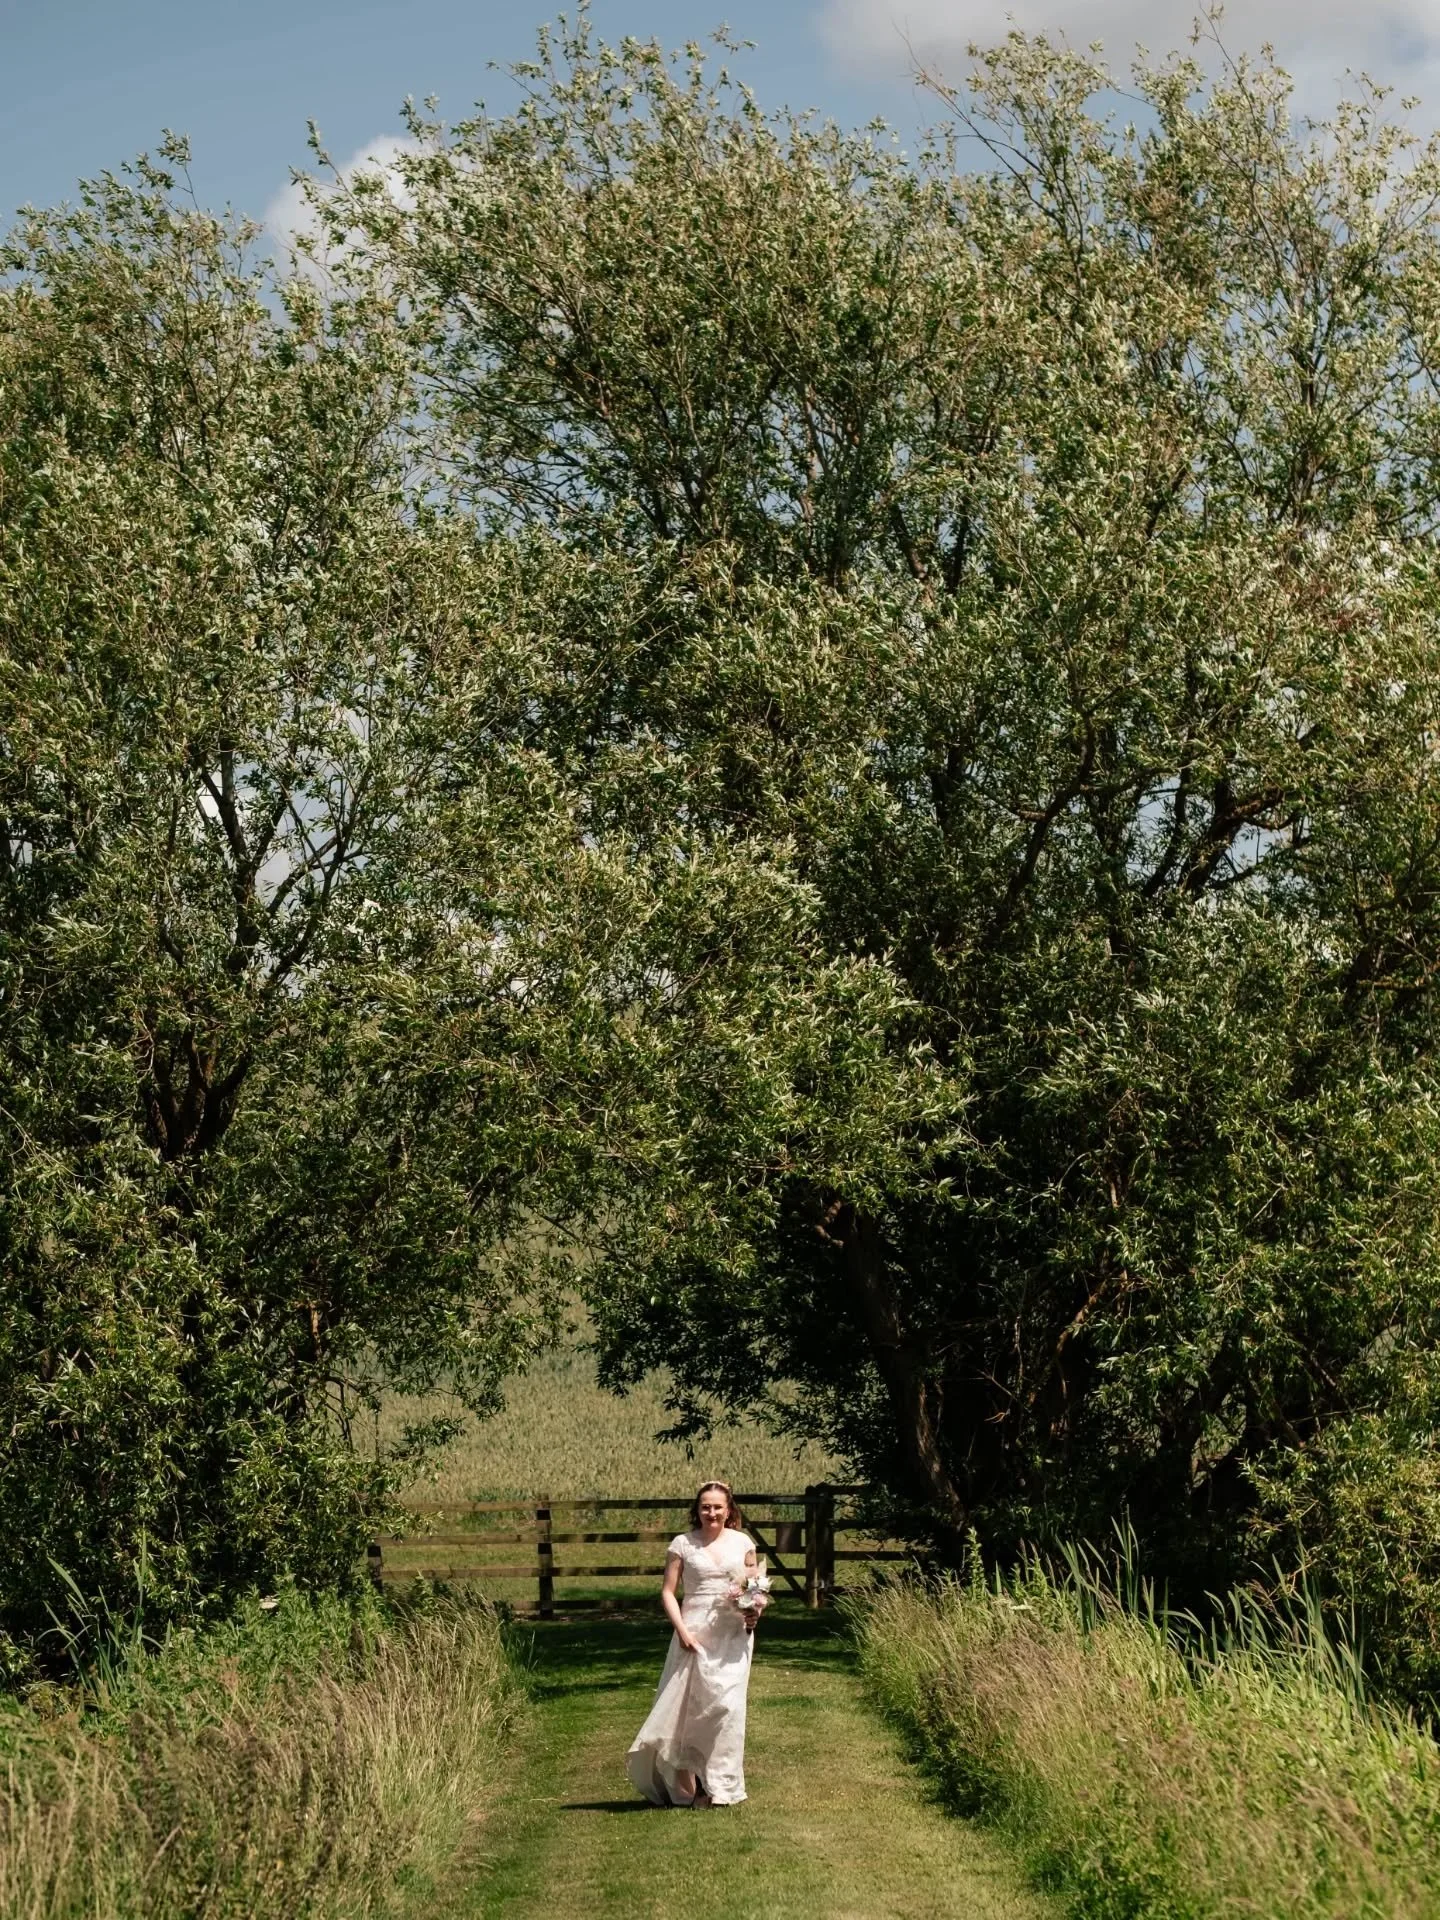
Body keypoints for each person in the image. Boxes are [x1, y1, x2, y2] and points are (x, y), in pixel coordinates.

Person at [625, 1480, 765, 1807]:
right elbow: (667, 1592)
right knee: (694, 1710)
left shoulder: (743, 1542)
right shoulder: (682, 1544)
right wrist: (683, 1631)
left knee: (727, 1708)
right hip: (694, 1633)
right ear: (697, 1510)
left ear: (729, 1509)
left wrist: (755, 1612)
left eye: (717, 1506)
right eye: (705, 1507)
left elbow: (753, 1586)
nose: (711, 1513)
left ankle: (723, 1786)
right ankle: (698, 1784)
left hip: (733, 1635)